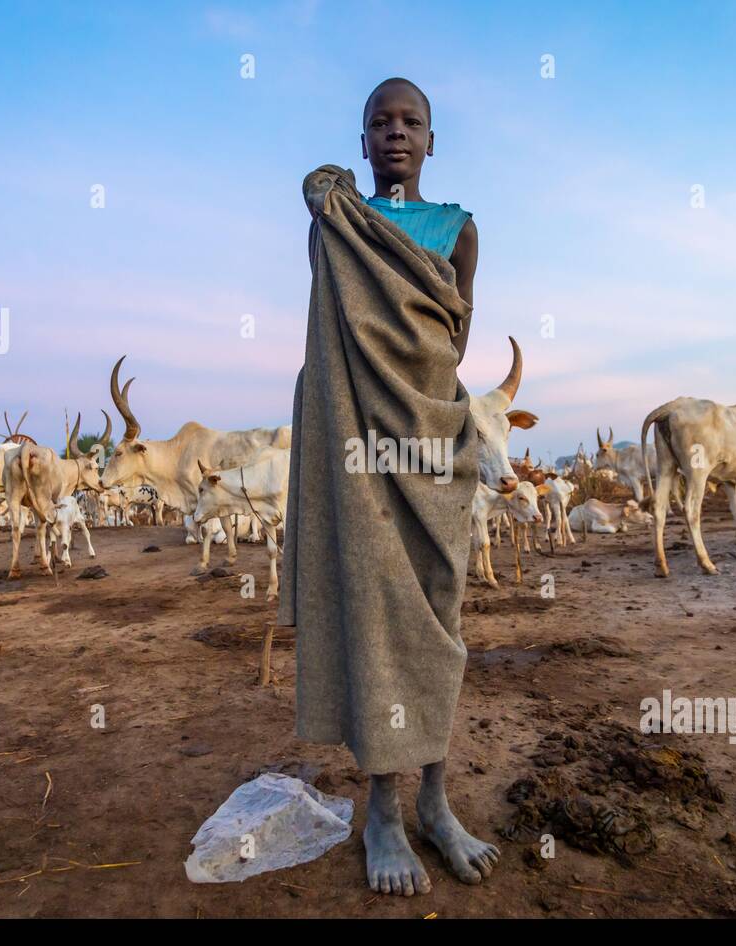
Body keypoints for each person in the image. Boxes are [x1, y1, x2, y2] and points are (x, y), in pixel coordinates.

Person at [279, 78, 498, 897]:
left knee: (440, 618)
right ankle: (383, 811)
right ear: (362, 138)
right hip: (360, 458)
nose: (396, 133)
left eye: (411, 122)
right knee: (377, 620)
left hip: (435, 451)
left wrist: (415, 409)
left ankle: (437, 804)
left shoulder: (460, 230)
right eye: (381, 121)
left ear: (433, 141)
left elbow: (451, 340)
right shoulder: (337, 223)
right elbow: (334, 340)